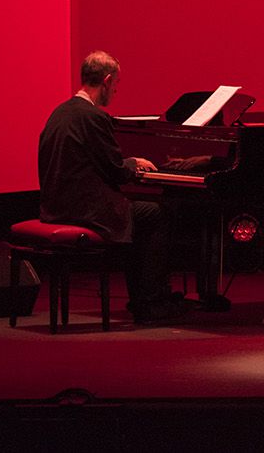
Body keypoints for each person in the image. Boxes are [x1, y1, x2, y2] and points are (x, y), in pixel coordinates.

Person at [37, 50, 183, 324]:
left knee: (141, 212)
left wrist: (127, 162)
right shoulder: (94, 117)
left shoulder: (61, 112)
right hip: (85, 211)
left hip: (56, 206)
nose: (115, 90)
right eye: (115, 84)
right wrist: (134, 164)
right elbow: (115, 171)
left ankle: (144, 299)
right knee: (157, 213)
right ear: (106, 81)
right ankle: (150, 301)